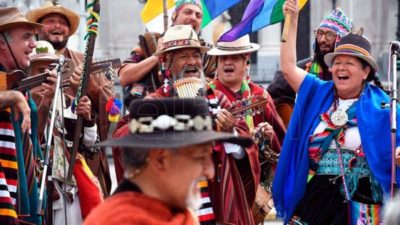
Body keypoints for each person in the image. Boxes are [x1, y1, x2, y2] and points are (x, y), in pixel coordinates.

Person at [272, 0, 400, 224]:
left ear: (365, 71)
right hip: (317, 199)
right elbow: (287, 66)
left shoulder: (384, 108)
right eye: (337, 62)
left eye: (349, 63)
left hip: (362, 204)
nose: (340, 68)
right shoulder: (317, 92)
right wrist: (291, 20)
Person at [144, 25, 259, 225]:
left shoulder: (218, 98)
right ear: (167, 63)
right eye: (184, 56)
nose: (193, 62)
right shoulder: (154, 102)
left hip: (217, 205)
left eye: (196, 55)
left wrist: (229, 132)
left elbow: (246, 150)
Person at [84, 97, 253, 225]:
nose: (210, 171)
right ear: (160, 159)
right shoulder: (115, 221)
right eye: (200, 157)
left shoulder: (177, 214)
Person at [26, 0, 114, 197]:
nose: (58, 26)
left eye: (62, 22)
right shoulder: (25, 61)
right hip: (40, 159)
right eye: (50, 21)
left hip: (83, 158)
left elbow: (113, 106)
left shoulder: (85, 60)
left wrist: (91, 88)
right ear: (37, 30)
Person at [207, 35, 286, 223]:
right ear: (216, 63)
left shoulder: (260, 96)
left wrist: (267, 136)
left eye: (234, 57)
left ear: (246, 60)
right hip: (215, 185)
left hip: (250, 185)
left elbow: (281, 144)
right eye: (223, 58)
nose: (227, 62)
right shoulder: (205, 94)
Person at [27, 40, 104, 224]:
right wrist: (46, 100)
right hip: (36, 185)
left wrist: (87, 119)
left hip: (68, 188)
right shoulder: (23, 103)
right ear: (28, 74)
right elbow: (33, 142)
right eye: (40, 71)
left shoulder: (69, 102)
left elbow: (90, 146)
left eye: (51, 70)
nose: (47, 76)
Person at [118, 0, 215, 107]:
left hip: (197, 109)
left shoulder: (208, 52)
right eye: (187, 12)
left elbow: (218, 84)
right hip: (152, 109)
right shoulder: (150, 42)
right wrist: (157, 56)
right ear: (174, 16)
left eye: (198, 15)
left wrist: (193, 82)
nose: (193, 17)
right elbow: (123, 77)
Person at [0, 7, 48, 224]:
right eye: (26, 37)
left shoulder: (16, 79)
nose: (33, 44)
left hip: (24, 194)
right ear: (2, 42)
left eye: (34, 37)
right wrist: (14, 97)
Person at [267, 8, 354, 127]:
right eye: (320, 33)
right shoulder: (304, 68)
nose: (322, 40)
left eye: (329, 35)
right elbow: (271, 97)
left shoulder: (356, 75)